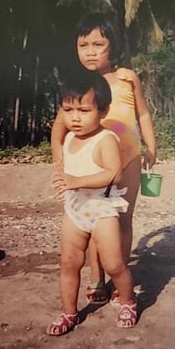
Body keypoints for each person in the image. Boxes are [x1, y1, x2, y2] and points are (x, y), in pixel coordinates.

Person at [51, 13, 157, 306]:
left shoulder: (126, 78)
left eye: (98, 43)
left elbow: (143, 114)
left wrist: (151, 146)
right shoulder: (79, 85)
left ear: (113, 45)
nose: (91, 51)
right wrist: (61, 163)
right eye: (84, 45)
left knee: (122, 219)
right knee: (93, 221)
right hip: (92, 168)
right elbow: (58, 130)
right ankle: (97, 279)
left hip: (129, 159)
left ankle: (118, 272)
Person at [47, 69, 137, 335]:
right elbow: (65, 164)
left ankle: (128, 301)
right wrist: (66, 181)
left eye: (84, 111)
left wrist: (77, 181)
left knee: (114, 263)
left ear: (103, 110)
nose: (75, 117)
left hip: (101, 209)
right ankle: (68, 312)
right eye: (68, 110)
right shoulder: (70, 138)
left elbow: (114, 173)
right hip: (75, 210)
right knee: (69, 263)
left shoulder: (105, 138)